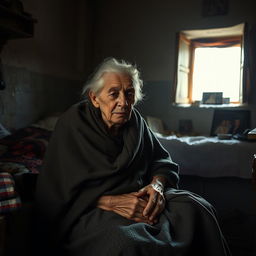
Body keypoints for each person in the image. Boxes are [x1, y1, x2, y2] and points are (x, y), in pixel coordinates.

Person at [35, 58, 230, 256]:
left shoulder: (136, 122)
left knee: (199, 209)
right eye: (114, 94)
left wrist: (157, 186)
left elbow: (161, 162)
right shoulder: (73, 124)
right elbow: (58, 190)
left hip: (140, 198)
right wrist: (112, 202)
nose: (123, 102)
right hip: (89, 208)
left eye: (129, 93)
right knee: (127, 243)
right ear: (94, 98)